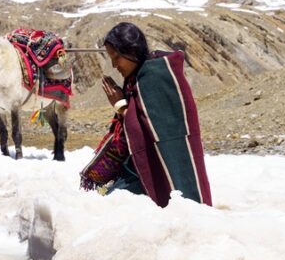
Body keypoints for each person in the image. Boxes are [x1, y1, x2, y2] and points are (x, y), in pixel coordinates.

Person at [80, 22, 213, 207]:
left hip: (158, 174)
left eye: (117, 57)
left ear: (132, 51)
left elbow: (151, 131)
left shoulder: (156, 77)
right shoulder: (136, 79)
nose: (114, 64)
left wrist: (120, 105)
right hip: (137, 171)